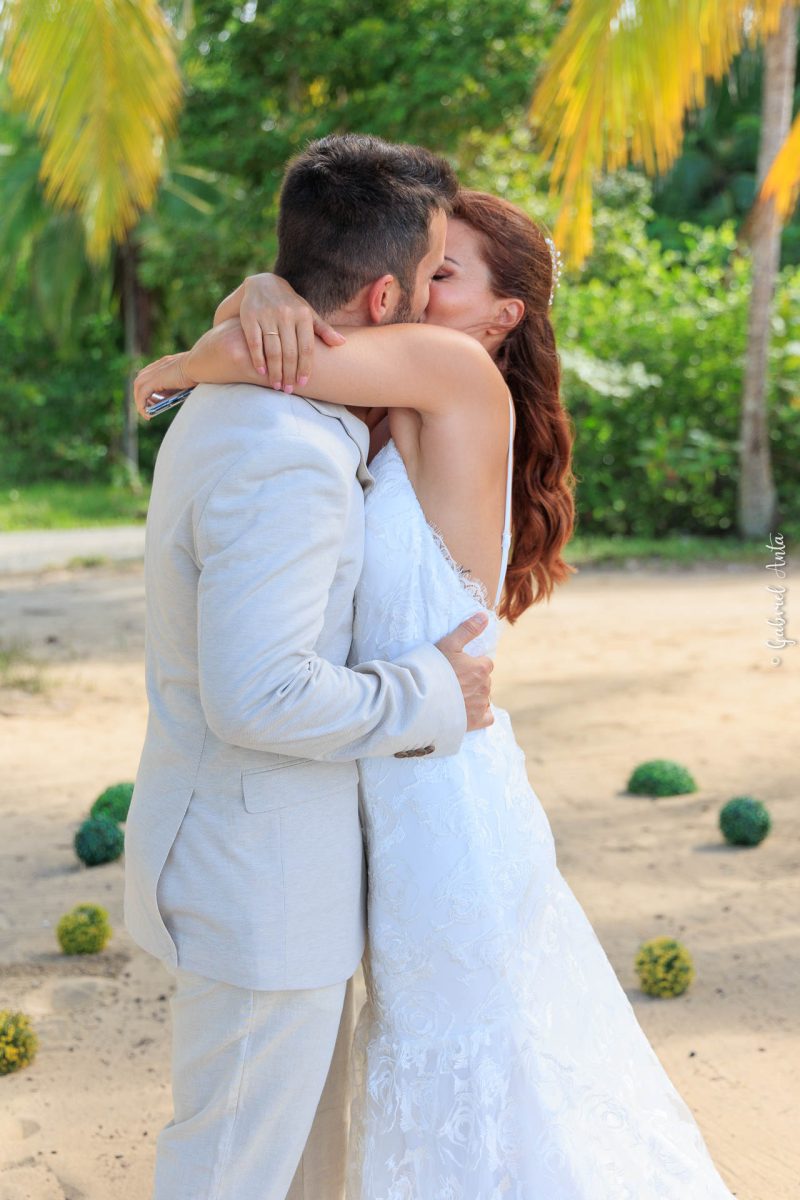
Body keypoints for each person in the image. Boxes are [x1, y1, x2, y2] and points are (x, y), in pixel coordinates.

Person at [136, 191, 737, 1197]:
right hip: (395, 776)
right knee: (434, 1061)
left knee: (474, 1059)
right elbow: (301, 338)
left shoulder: (451, 369)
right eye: (418, 270)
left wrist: (187, 360)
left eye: (444, 276)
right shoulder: (403, 397)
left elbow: (275, 352)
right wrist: (262, 288)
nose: (417, 290)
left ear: (500, 318)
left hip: (439, 798)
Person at [123, 134, 497, 1200]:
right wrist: (434, 691)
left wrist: (230, 320)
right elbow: (260, 693)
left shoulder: (269, 407)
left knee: (297, 1165)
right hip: (256, 881)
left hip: (281, 868)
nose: (436, 296)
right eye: (430, 276)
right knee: (233, 1169)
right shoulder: (282, 448)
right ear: (383, 296)